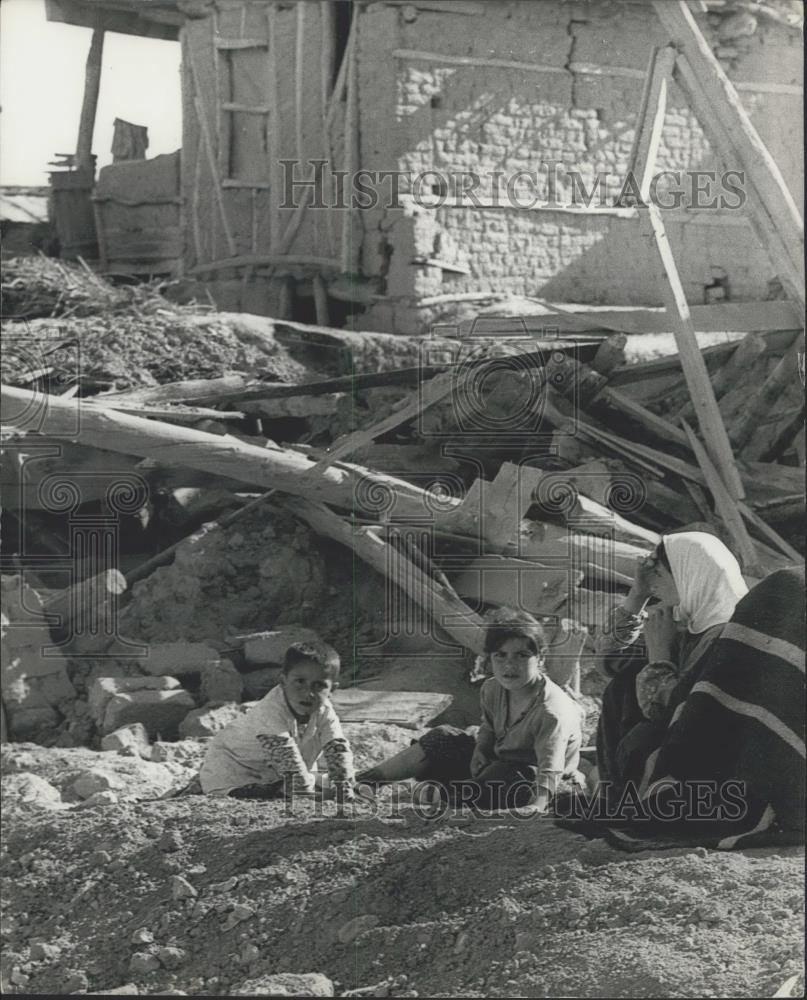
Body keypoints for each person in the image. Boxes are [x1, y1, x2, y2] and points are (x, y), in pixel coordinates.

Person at [358, 612, 584, 815]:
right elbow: (488, 727)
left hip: (535, 780)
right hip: (494, 765)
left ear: (540, 657)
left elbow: (551, 767)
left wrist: (537, 805)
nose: (509, 665)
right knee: (443, 737)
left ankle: (442, 795)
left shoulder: (551, 711)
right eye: (500, 655)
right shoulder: (493, 688)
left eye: (521, 656)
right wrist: (481, 749)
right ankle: (366, 781)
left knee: (505, 776)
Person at [594, 530, 748, 795]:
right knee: (622, 686)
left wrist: (660, 658)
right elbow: (609, 660)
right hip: (679, 750)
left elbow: (688, 716)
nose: (654, 585)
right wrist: (637, 595)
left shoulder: (727, 635)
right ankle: (618, 795)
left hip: (711, 763)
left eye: (660, 575)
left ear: (688, 576)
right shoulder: (688, 622)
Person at [199, 642, 355, 802]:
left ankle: (287, 788)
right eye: (300, 682)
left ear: (332, 689)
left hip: (274, 772)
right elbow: (287, 761)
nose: (308, 693)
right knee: (269, 792)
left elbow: (336, 748)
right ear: (283, 681)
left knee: (325, 783)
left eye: (319, 685)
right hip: (234, 769)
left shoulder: (325, 711)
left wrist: (343, 787)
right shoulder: (270, 711)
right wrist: (307, 793)